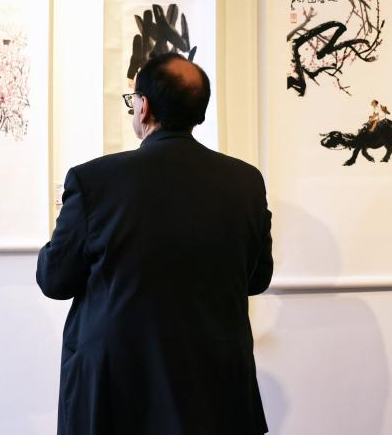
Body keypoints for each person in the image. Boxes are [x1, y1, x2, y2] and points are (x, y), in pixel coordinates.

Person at [37, 52, 273, 435]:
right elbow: (257, 278)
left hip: (116, 389)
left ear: (143, 106)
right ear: (199, 111)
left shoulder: (93, 181)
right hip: (214, 384)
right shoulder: (245, 182)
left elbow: (55, 280)